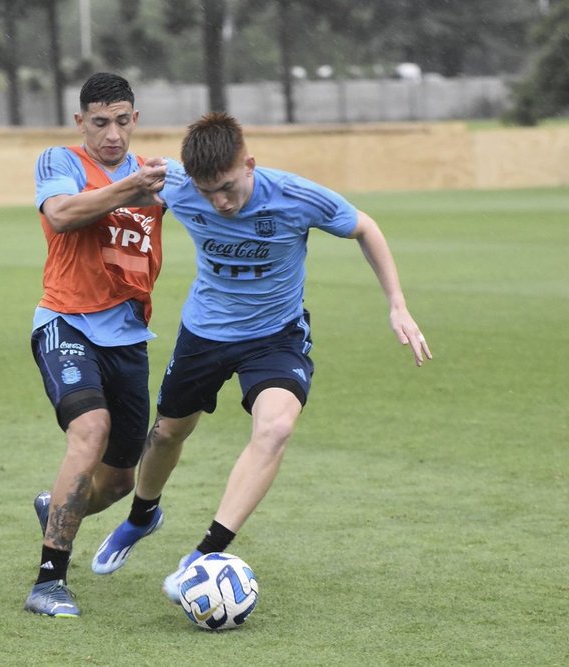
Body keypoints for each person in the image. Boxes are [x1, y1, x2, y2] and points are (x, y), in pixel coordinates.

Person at [91, 112, 433, 603]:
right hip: (204, 332)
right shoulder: (175, 183)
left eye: (229, 187)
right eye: (209, 193)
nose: (221, 202)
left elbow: (366, 228)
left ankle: (204, 556)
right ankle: (143, 516)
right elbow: (112, 190)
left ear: (248, 163)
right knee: (169, 432)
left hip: (276, 336)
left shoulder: (296, 196)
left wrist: (397, 305)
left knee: (275, 427)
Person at [24, 72, 167, 617]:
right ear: (80, 121)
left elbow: (216, 203)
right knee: (91, 430)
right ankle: (48, 582)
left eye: (123, 121)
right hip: (66, 321)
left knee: (116, 482)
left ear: (136, 120)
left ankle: (55, 505)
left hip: (128, 335)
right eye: (100, 122)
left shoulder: (156, 177)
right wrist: (135, 187)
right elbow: (61, 215)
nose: (113, 133)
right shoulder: (60, 162)